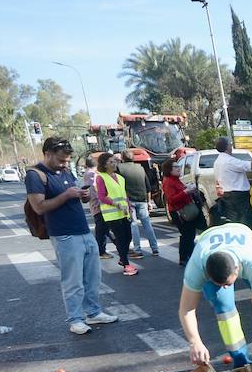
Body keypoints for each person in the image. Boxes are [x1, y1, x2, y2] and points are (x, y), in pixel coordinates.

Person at [25, 137, 117, 335]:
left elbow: (73, 196)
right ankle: (75, 319)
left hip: (83, 230)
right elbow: (38, 207)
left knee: (93, 277)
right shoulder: (35, 175)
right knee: (72, 281)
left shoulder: (64, 171)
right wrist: (67, 195)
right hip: (64, 235)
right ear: (47, 154)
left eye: (67, 161)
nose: (64, 164)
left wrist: (82, 196)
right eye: (60, 160)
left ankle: (93, 312)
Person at [179, 223, 252, 368]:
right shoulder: (196, 267)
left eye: (227, 284)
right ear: (207, 275)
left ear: (237, 269)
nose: (225, 287)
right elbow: (186, 310)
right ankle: (242, 362)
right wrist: (194, 342)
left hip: (242, 234)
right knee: (224, 312)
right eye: (220, 285)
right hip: (206, 240)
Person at [94, 152, 137, 276]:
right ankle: (126, 264)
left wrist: (128, 207)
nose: (114, 164)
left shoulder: (120, 177)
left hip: (124, 213)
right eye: (111, 162)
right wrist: (114, 203)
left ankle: (122, 258)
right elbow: (101, 196)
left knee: (128, 237)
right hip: (112, 214)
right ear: (104, 165)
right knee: (121, 238)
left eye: (115, 161)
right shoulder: (101, 177)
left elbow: (124, 195)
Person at [117, 153, 158, 258]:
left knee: (133, 224)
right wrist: (149, 201)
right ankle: (155, 248)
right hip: (142, 199)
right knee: (147, 224)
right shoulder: (140, 168)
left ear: (122, 158)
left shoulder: (119, 169)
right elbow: (148, 186)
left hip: (129, 200)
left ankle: (137, 250)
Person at [161, 159, 202, 266]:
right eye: (175, 167)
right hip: (179, 212)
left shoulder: (176, 180)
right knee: (186, 234)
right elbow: (171, 199)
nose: (179, 168)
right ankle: (184, 257)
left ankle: (189, 256)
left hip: (185, 209)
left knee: (189, 234)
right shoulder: (169, 181)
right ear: (169, 170)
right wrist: (186, 191)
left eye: (178, 166)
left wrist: (188, 189)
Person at [211, 137, 252, 228]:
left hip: (227, 195)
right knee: (247, 222)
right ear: (227, 147)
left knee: (235, 222)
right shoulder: (230, 161)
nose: (232, 146)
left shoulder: (217, 162)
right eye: (230, 144)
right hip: (239, 197)